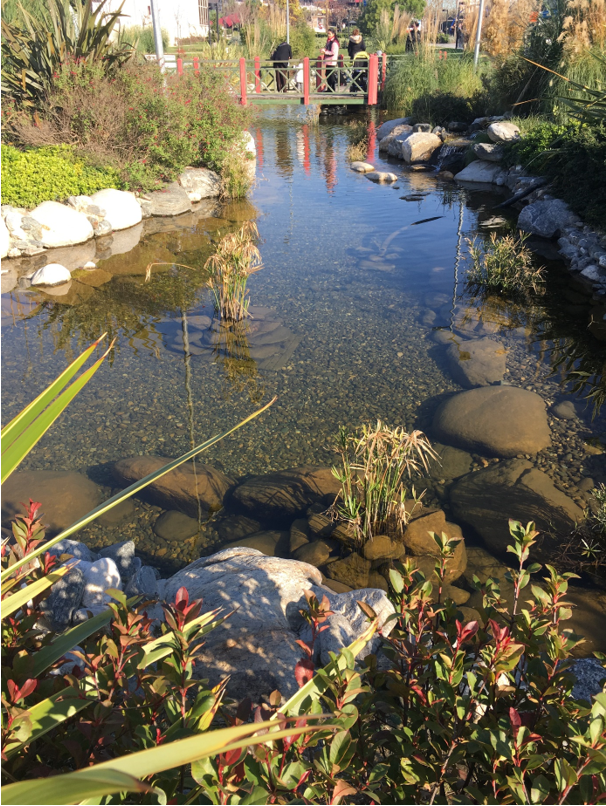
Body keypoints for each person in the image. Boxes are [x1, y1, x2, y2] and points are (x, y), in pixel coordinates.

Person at [321, 28, 340, 92]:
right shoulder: (329, 41)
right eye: (328, 33)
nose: (328, 35)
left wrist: (325, 52)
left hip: (332, 61)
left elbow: (332, 52)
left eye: (329, 33)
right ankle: (330, 89)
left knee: (331, 75)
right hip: (329, 61)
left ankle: (332, 89)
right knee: (328, 74)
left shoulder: (334, 43)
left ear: (333, 34)